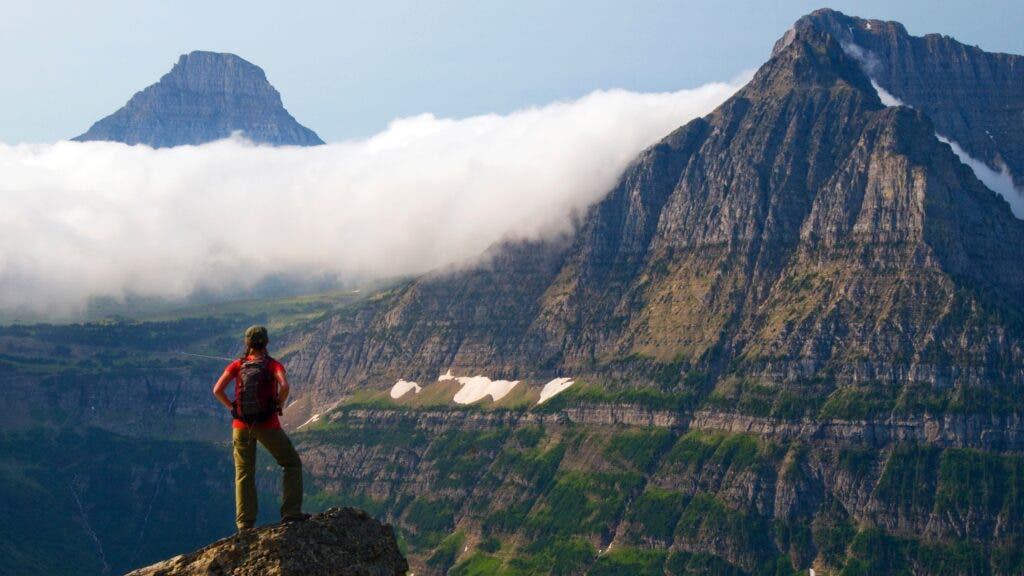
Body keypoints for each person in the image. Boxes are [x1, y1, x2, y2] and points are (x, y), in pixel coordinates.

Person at [213, 325, 309, 530]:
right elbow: (285, 386)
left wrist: (233, 408)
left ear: (247, 343)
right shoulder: (273, 365)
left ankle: (245, 524)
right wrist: (278, 405)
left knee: (244, 471)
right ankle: (291, 513)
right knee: (291, 463)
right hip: (268, 424)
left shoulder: (237, 365)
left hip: (241, 425)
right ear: (266, 343)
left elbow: (217, 390)